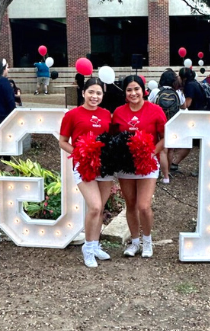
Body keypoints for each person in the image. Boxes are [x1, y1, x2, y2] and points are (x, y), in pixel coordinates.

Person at [59, 78, 114, 268]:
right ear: (83, 93)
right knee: (95, 207)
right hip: (84, 166)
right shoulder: (72, 115)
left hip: (105, 166)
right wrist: (81, 153)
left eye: (98, 93)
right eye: (91, 92)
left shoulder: (107, 114)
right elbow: (63, 141)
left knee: (101, 207)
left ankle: (95, 244)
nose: (95, 96)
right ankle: (88, 248)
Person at [112, 75, 166, 258]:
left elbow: (165, 137)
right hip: (126, 166)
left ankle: (147, 241)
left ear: (143, 90)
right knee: (131, 205)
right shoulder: (118, 112)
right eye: (129, 90)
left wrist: (151, 152)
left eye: (136, 89)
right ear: (125, 92)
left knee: (144, 205)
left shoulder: (156, 110)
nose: (133, 93)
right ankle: (135, 242)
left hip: (148, 164)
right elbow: (114, 137)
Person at [148, 69, 185, 184]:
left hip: (159, 123)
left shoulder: (156, 91)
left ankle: (163, 174)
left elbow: (149, 105)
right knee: (170, 150)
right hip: (173, 123)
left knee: (162, 150)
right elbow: (183, 106)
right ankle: (168, 172)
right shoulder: (177, 93)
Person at [169, 68, 205, 172]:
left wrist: (178, 100)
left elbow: (187, 104)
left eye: (179, 76)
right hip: (201, 117)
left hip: (196, 118)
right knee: (190, 142)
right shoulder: (195, 83)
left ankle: (174, 164)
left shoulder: (189, 86)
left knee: (189, 142)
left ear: (183, 77)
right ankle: (174, 164)